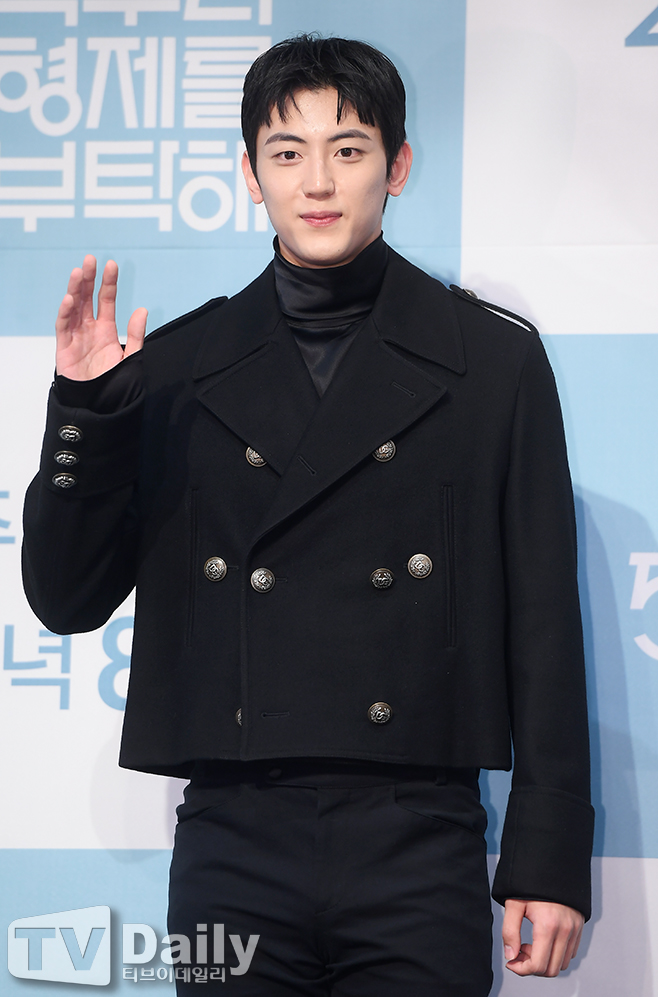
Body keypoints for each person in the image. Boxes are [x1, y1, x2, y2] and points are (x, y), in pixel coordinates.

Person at [22, 34, 594, 996]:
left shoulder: (492, 364)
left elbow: (543, 622)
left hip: (419, 834)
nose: (318, 181)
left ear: (397, 166)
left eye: (349, 148)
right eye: (287, 153)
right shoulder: (178, 368)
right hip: (232, 838)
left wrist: (548, 856)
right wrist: (84, 411)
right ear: (251, 174)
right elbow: (66, 598)